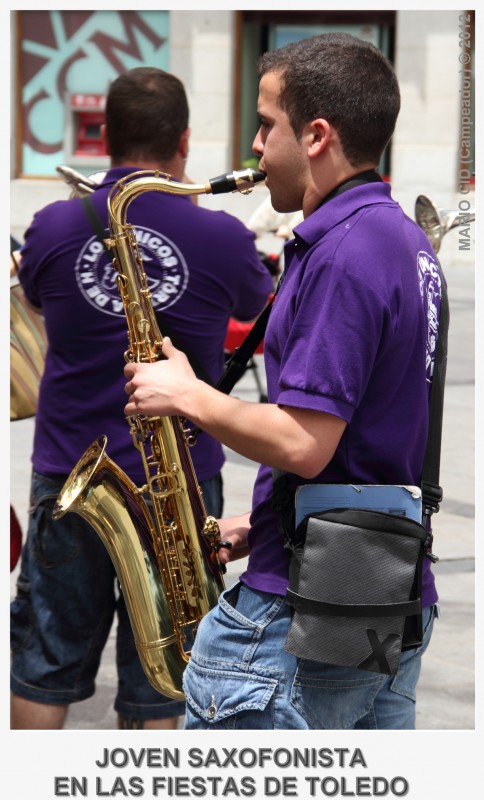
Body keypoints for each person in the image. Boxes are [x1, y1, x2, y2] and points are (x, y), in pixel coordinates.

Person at [123, 34, 444, 730]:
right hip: (379, 588)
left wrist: (187, 394)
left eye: (266, 125)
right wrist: (266, 523)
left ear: (318, 135)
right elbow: (375, 437)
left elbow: (305, 443)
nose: (255, 147)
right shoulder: (401, 240)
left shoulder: (343, 252)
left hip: (302, 614)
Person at [10, 66, 273, 730]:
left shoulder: (50, 226)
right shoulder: (224, 239)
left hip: (69, 469)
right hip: (180, 486)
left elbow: (36, 303)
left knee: (45, 663)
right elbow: (251, 306)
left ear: (104, 139)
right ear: (184, 142)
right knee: (172, 673)